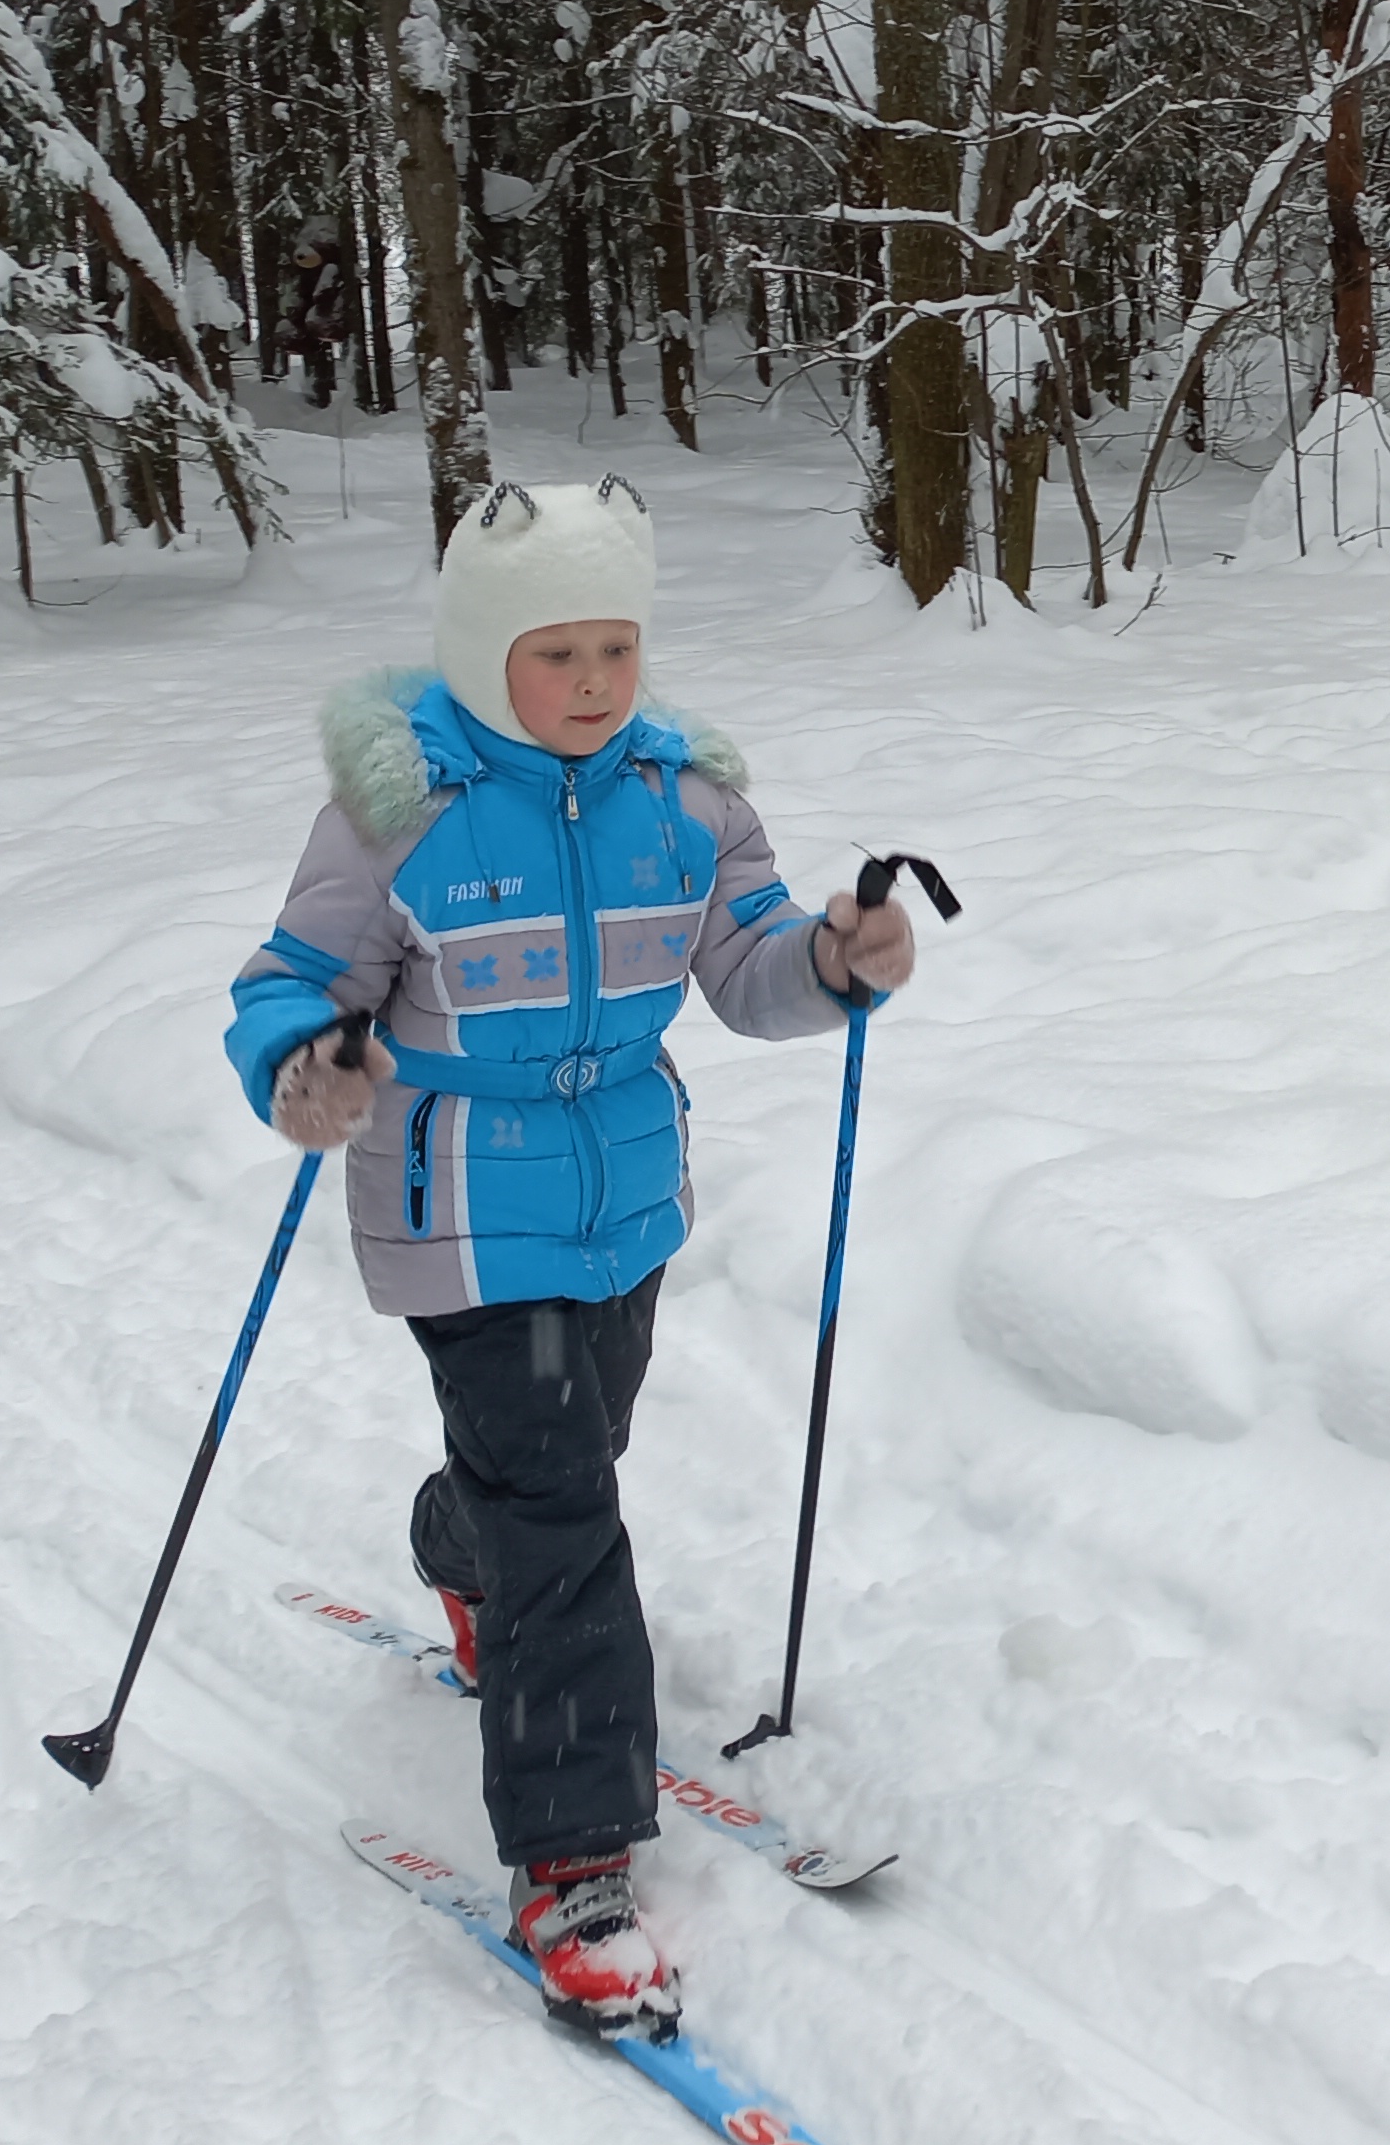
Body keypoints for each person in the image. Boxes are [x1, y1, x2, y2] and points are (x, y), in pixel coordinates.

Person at [220, 475, 918, 2036]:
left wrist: (836, 960)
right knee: (568, 1513)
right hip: (458, 1205)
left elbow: (746, 967)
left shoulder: (689, 796)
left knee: (568, 1451)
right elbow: (292, 979)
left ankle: (461, 1546)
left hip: (625, 1198)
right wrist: (301, 1064)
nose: (596, 683)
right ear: (483, 655)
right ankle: (572, 1862)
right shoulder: (401, 811)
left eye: (617, 647)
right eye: (558, 652)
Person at [287, 234, 355, 408]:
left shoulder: (331, 268)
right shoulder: (318, 271)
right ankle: (319, 390)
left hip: (324, 317)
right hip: (317, 316)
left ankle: (321, 390)